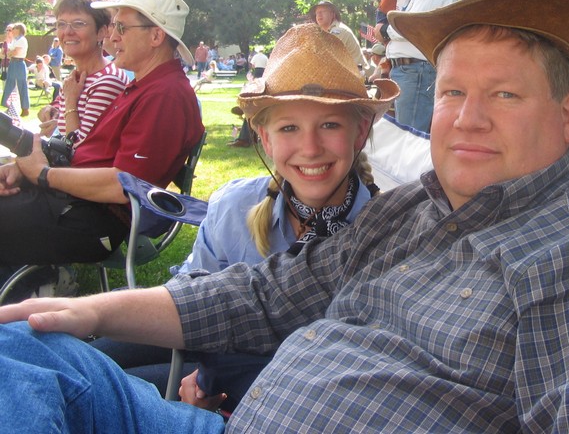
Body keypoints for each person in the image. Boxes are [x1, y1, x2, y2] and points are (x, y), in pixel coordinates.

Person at [0, 0, 569, 433]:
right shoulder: (417, 210)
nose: (466, 119)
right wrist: (90, 311)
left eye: (505, 94)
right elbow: (261, 295)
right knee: (16, 350)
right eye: (454, 92)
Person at [93, 23, 399, 411]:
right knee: (94, 356)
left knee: (106, 396)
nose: (310, 147)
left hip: (284, 396)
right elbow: (188, 293)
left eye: (329, 125)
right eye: (289, 127)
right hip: (206, 351)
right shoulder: (234, 206)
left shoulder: (385, 231)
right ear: (265, 139)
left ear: (359, 134)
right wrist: (197, 380)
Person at [0, 0, 204, 267]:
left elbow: (124, 186)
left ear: (156, 35)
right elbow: (86, 152)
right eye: (112, 27)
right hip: (74, 202)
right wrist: (22, 170)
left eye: (121, 28)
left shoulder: (165, 95)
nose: (112, 37)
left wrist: (43, 175)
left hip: (91, 220)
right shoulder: (143, 87)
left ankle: (36, 288)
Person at [380, 0, 458, 133]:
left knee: (410, 142)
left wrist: (384, 30)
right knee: (409, 140)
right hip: (412, 71)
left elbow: (413, 25)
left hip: (416, 71)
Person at [37, 0, 130, 142]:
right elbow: (62, 124)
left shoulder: (108, 81)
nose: (67, 32)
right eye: (61, 24)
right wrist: (50, 112)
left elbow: (80, 150)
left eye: (78, 24)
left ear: (102, 32)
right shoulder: (74, 79)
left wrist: (70, 100)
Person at [309, 0, 366, 70]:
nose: (319, 15)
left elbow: (327, 57)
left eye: (323, 11)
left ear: (333, 14)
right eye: (317, 13)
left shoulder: (339, 30)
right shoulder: (327, 32)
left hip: (356, 74)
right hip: (346, 72)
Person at [1, 22, 30, 117]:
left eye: (15, 28)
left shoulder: (21, 40)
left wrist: (10, 53)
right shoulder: (14, 40)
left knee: (22, 85)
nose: (12, 30)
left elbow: (13, 52)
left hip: (19, 62)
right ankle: (7, 104)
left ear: (19, 30)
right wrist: (10, 53)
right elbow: (8, 53)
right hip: (13, 63)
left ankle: (25, 108)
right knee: (9, 83)